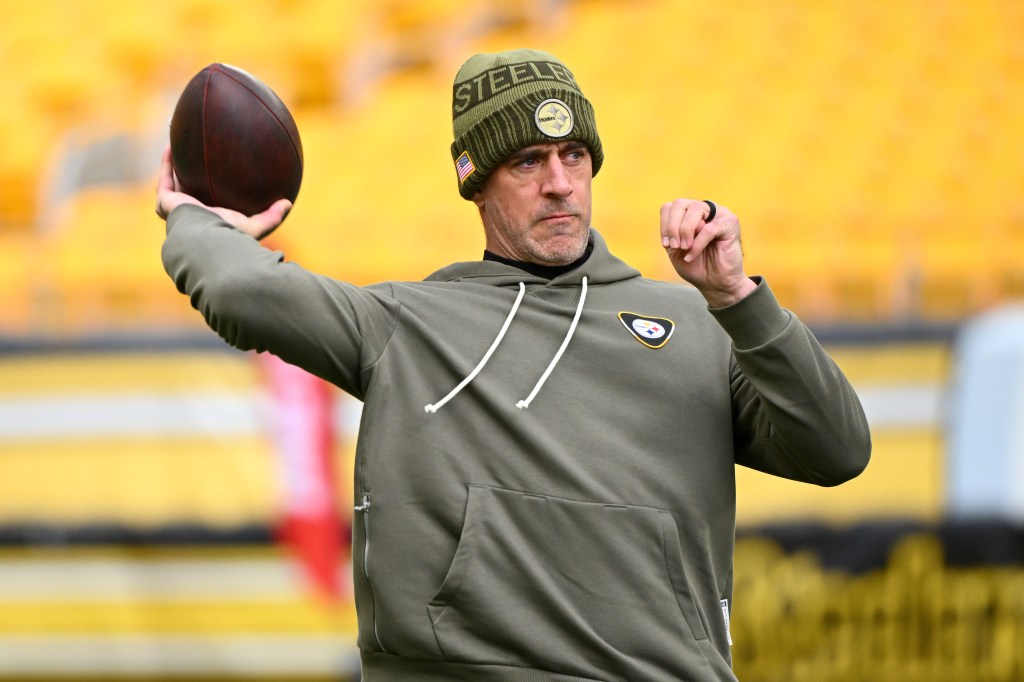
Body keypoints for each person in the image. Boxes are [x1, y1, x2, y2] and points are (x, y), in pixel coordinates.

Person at [157, 48, 870, 682]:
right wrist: (193, 216)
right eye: (527, 161)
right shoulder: (407, 326)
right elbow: (239, 287)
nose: (559, 183)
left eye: (574, 156)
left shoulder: (696, 323)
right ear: (476, 182)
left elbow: (837, 450)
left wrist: (739, 299)